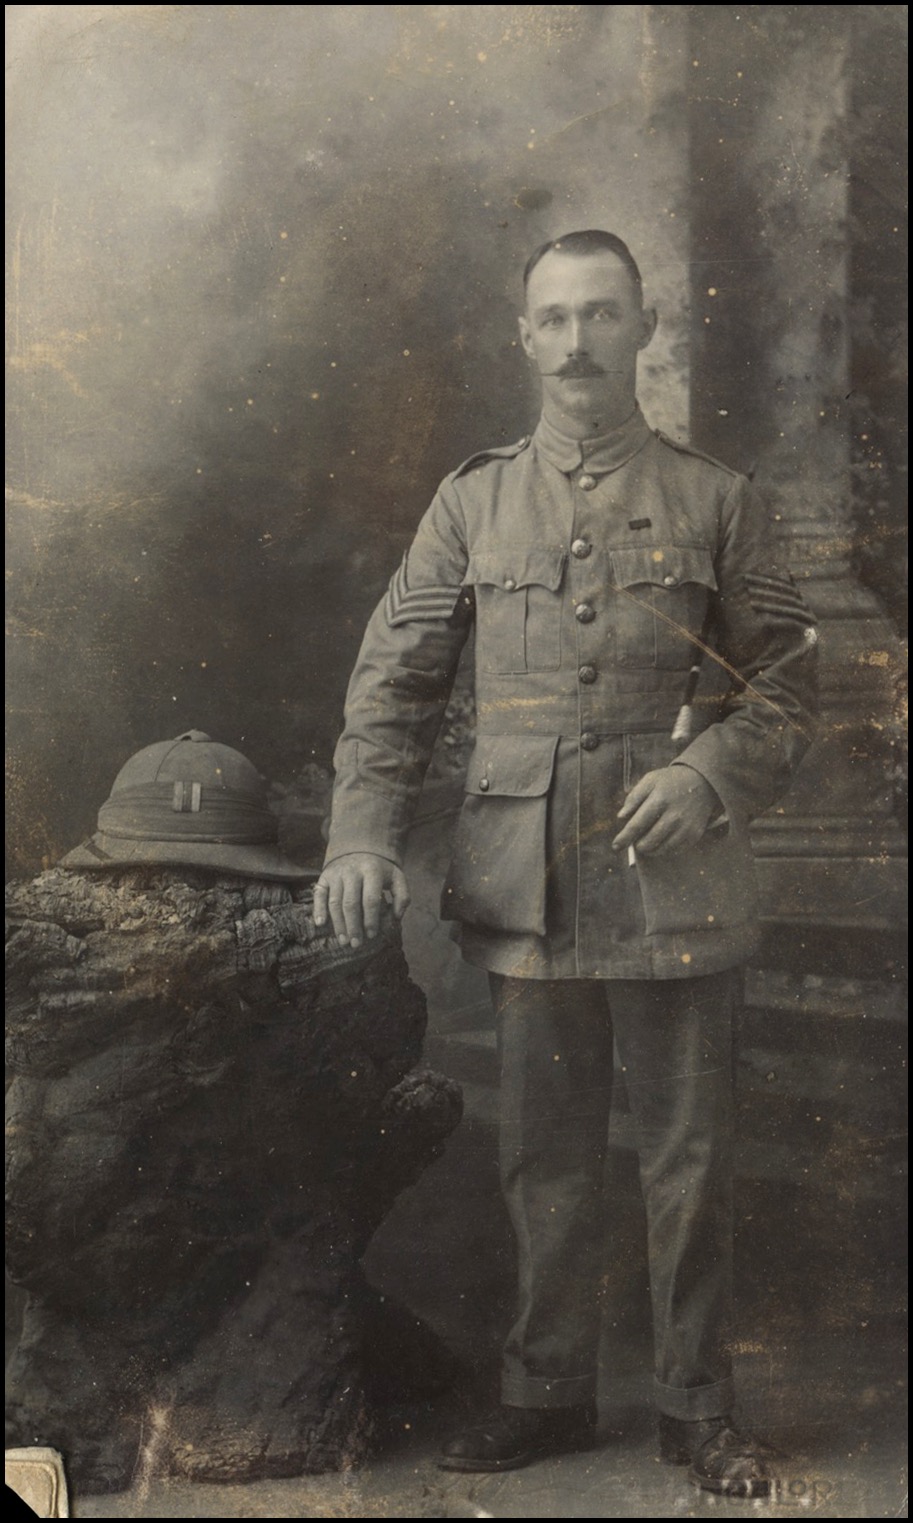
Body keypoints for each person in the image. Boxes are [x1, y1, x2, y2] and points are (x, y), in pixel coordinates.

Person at [313, 230, 818, 1497]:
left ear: (646, 328)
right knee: (541, 1153)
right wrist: (360, 833)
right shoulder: (471, 501)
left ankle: (699, 1404)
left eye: (603, 314)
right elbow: (395, 685)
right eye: (554, 317)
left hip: (676, 874)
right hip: (527, 871)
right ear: (523, 338)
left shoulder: (720, 498)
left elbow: (791, 683)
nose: (579, 339)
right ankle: (546, 1390)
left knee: (687, 1153)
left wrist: (706, 776)